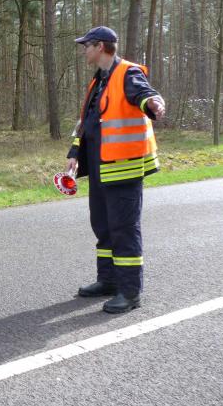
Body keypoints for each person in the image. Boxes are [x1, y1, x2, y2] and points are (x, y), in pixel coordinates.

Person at [67, 26, 166, 314]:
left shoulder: (128, 72)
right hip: (100, 168)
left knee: (124, 229)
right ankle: (108, 281)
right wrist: (74, 153)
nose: (83, 51)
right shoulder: (98, 80)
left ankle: (130, 292)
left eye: (86, 46)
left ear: (100, 47)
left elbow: (143, 94)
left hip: (124, 169)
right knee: (103, 226)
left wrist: (153, 103)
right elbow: (87, 122)